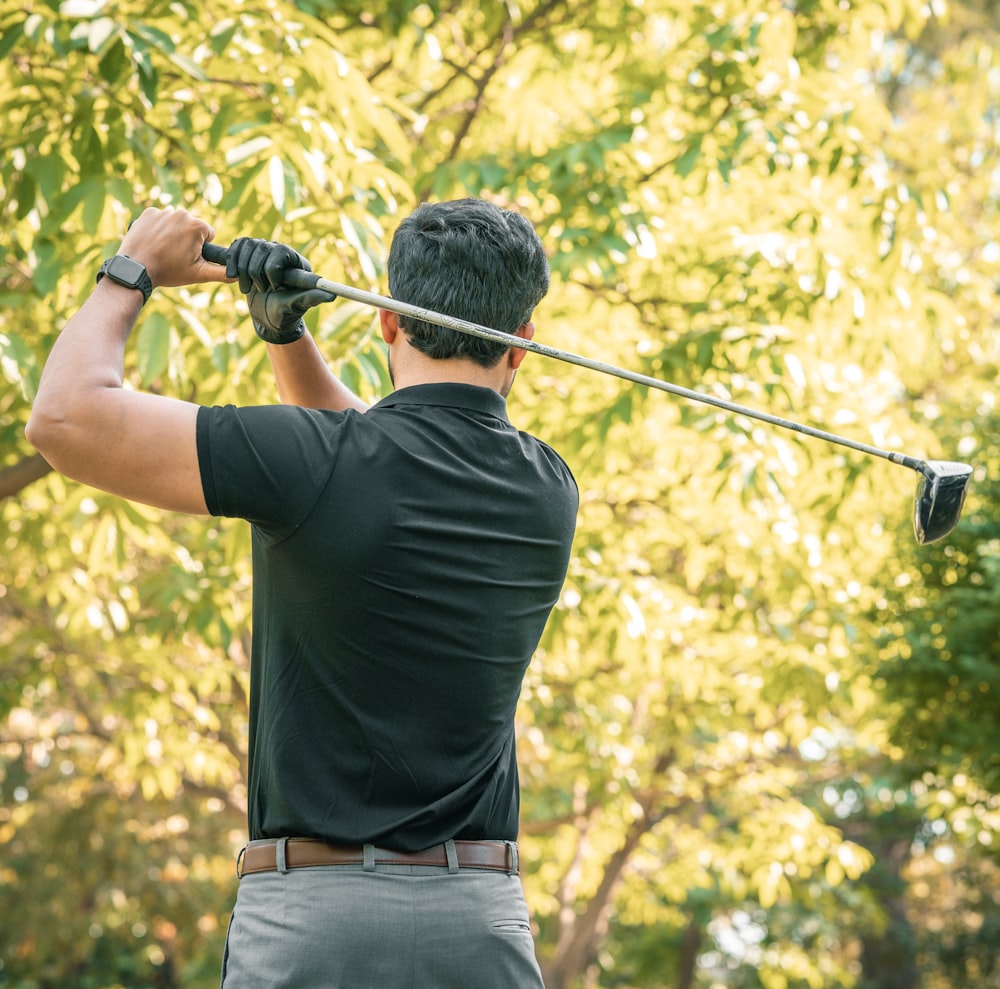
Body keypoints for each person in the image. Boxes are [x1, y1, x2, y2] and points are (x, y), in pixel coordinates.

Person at [26, 199, 578, 988]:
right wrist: (287, 338)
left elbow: (64, 419)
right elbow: (383, 460)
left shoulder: (315, 464)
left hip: (314, 923)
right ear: (523, 345)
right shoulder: (547, 487)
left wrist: (132, 269)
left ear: (390, 324)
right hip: (479, 923)